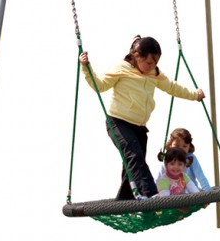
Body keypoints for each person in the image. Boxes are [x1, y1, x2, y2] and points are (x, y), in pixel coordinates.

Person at [80, 35, 205, 200]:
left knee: (132, 165)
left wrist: (195, 95)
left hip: (139, 127)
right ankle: (152, 194)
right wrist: (86, 67)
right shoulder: (122, 68)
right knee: (135, 157)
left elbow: (173, 87)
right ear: (137, 56)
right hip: (118, 122)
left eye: (155, 63)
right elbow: (100, 85)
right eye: (149, 63)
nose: (152, 66)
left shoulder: (154, 73)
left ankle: (124, 200)